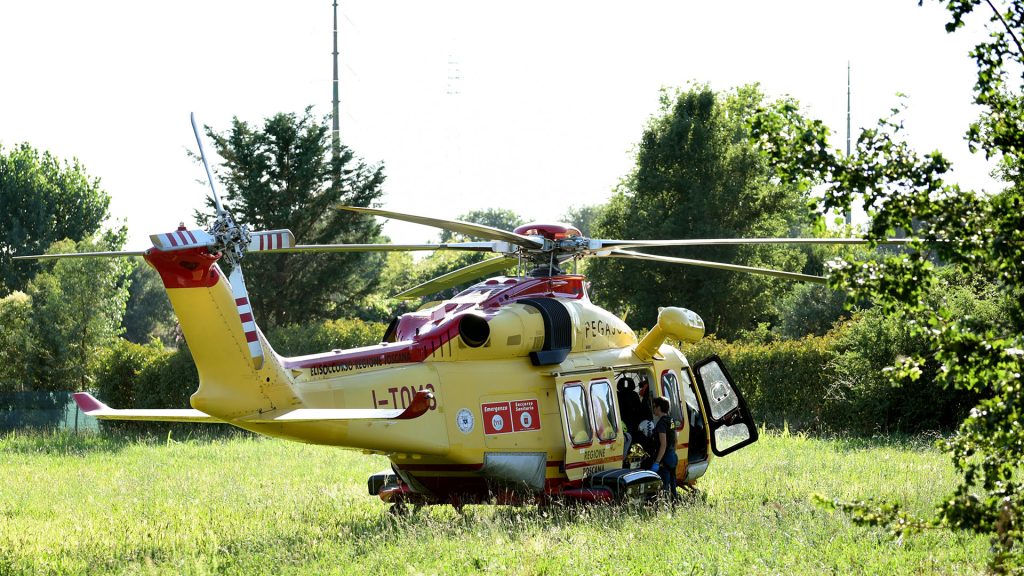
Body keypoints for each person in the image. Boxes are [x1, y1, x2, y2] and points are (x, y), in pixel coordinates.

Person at [649, 396, 678, 500]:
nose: (653, 409)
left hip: (664, 459)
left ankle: (664, 507)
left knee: (664, 485)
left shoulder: (661, 423)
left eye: (654, 406)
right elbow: (675, 440)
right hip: (672, 457)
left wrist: (657, 461)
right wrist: (672, 454)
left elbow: (663, 444)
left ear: (659, 407)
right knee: (673, 484)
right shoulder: (671, 420)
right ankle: (675, 504)